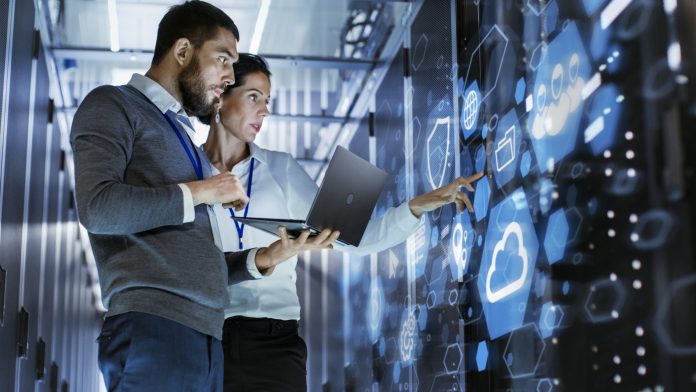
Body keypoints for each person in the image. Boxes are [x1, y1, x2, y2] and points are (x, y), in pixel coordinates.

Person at [70, 3, 337, 391]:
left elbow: (197, 257)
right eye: (223, 59)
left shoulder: (185, 144)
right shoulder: (113, 104)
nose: (228, 76)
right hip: (154, 327)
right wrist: (203, 190)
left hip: (206, 338)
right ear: (182, 52)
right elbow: (98, 207)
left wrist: (265, 259)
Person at [200, 53, 483, 391]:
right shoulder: (187, 172)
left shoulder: (281, 169)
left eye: (268, 100)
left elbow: (354, 239)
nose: (265, 110)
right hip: (206, 337)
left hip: (273, 341)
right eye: (254, 97)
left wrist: (417, 207)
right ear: (221, 96)